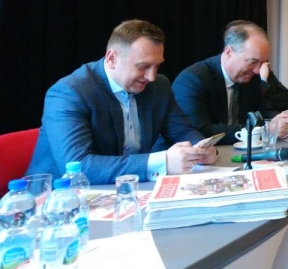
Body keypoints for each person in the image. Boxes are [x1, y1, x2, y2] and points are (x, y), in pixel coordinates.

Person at [26, 20, 217, 184]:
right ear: (112, 59)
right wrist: (162, 162)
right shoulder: (69, 93)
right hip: (59, 198)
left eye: (157, 66)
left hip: (125, 191)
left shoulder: (158, 86)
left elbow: (181, 131)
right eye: (143, 66)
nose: (151, 76)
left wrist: (200, 148)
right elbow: (78, 166)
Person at [172, 20, 288, 146]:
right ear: (229, 52)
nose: (257, 70)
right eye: (252, 62)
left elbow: (264, 111)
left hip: (240, 151)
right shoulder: (193, 79)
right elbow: (200, 130)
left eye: (262, 63)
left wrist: (278, 123)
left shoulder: (252, 78)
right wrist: (265, 130)